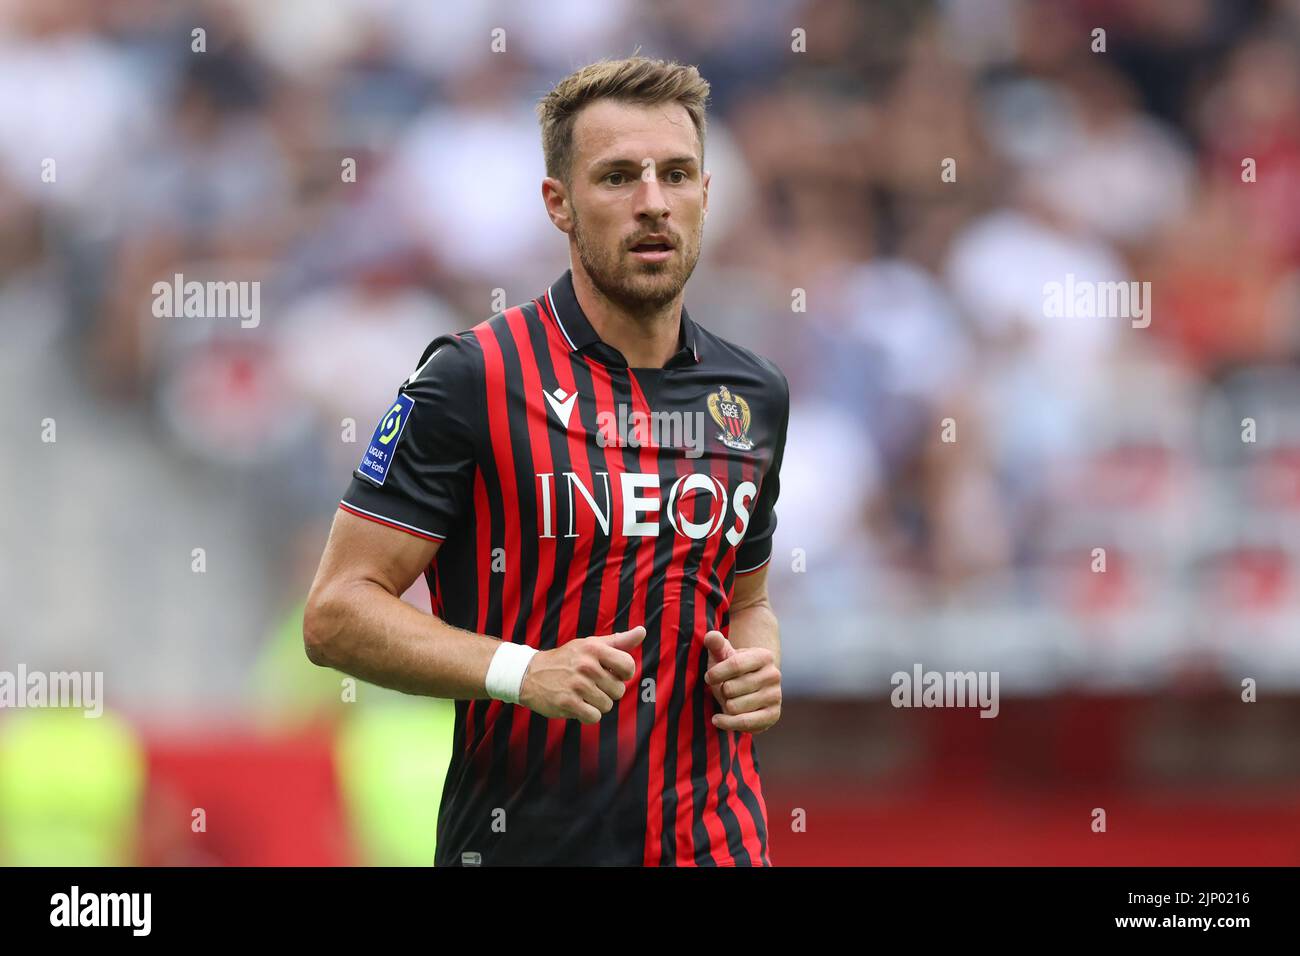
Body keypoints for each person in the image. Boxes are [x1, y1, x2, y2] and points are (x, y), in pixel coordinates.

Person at [304, 56, 789, 866]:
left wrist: (759, 659)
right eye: (617, 178)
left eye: (675, 175)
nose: (651, 204)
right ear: (557, 204)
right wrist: (519, 670)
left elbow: (748, 600)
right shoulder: (473, 379)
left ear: (706, 192)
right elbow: (336, 614)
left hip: (715, 842)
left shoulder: (754, 394)